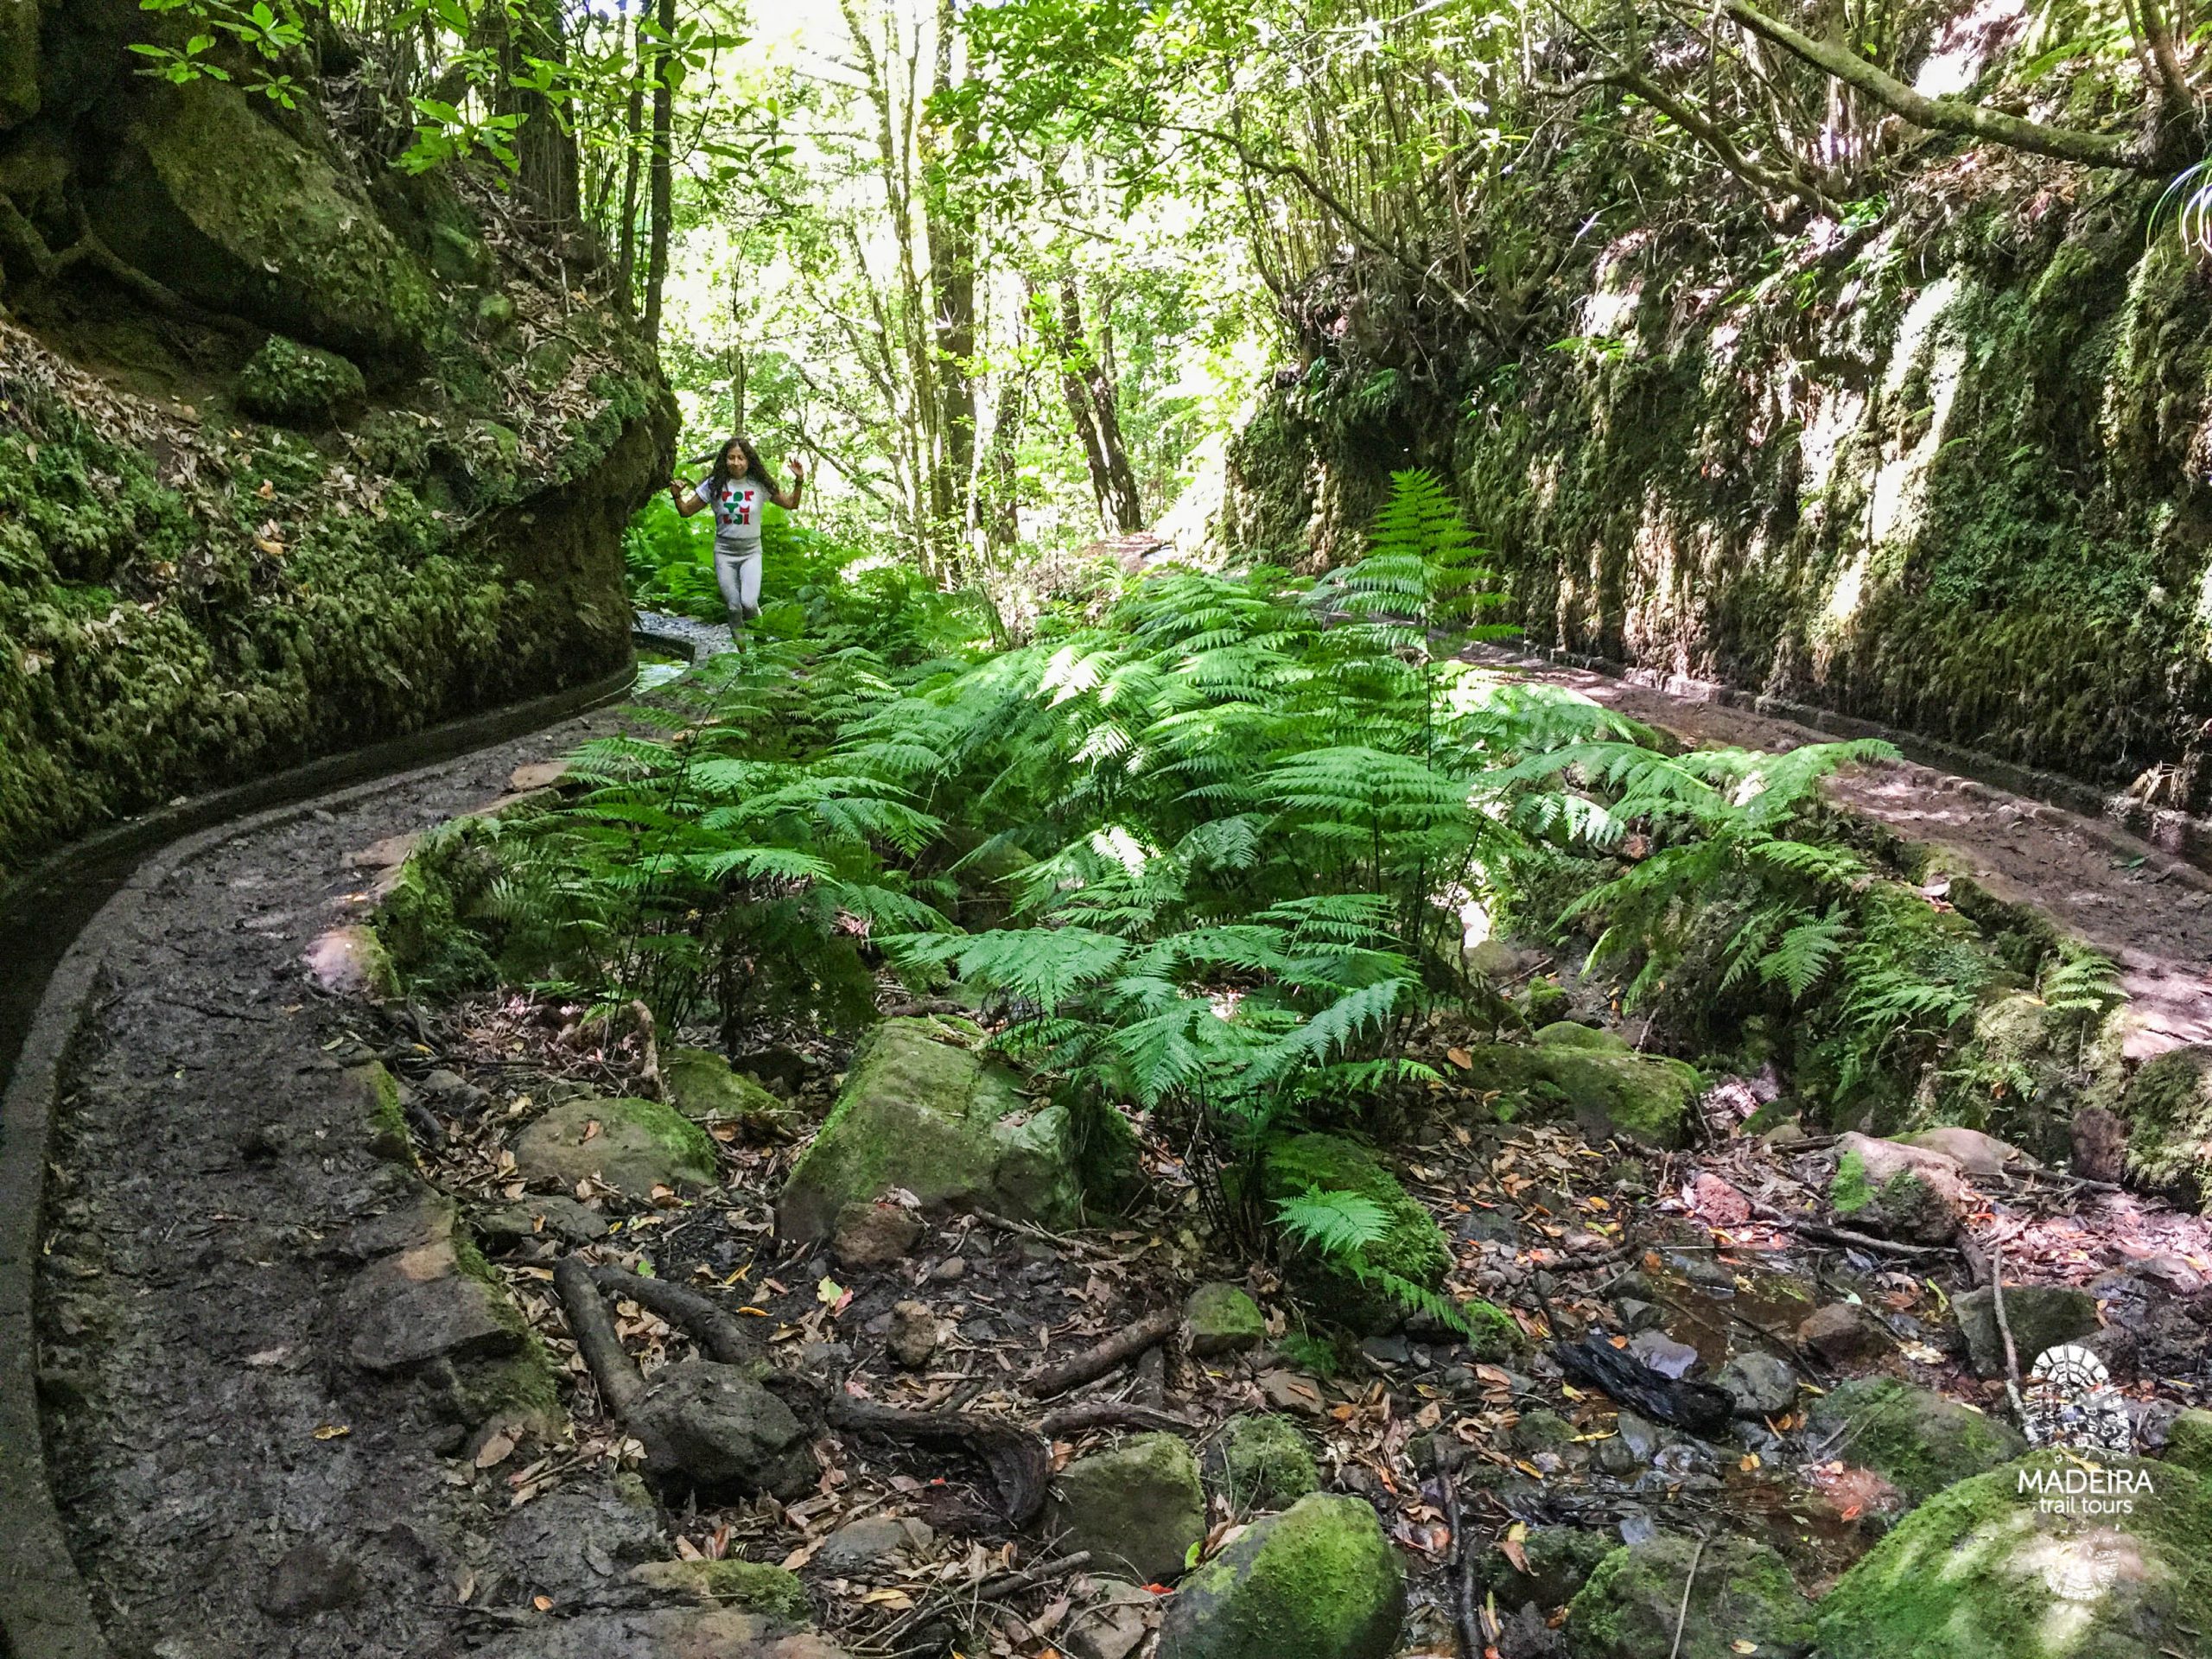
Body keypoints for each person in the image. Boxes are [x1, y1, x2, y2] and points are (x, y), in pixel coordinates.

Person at [669, 436, 804, 639]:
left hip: (751, 553)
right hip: (724, 553)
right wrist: (677, 495)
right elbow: (687, 511)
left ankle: (761, 643)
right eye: (731, 458)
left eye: (741, 458)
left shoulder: (759, 484)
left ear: (749, 460)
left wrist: (799, 480)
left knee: (749, 604)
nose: (736, 463)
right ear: (725, 460)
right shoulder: (713, 485)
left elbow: (791, 504)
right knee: (733, 608)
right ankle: (743, 656)